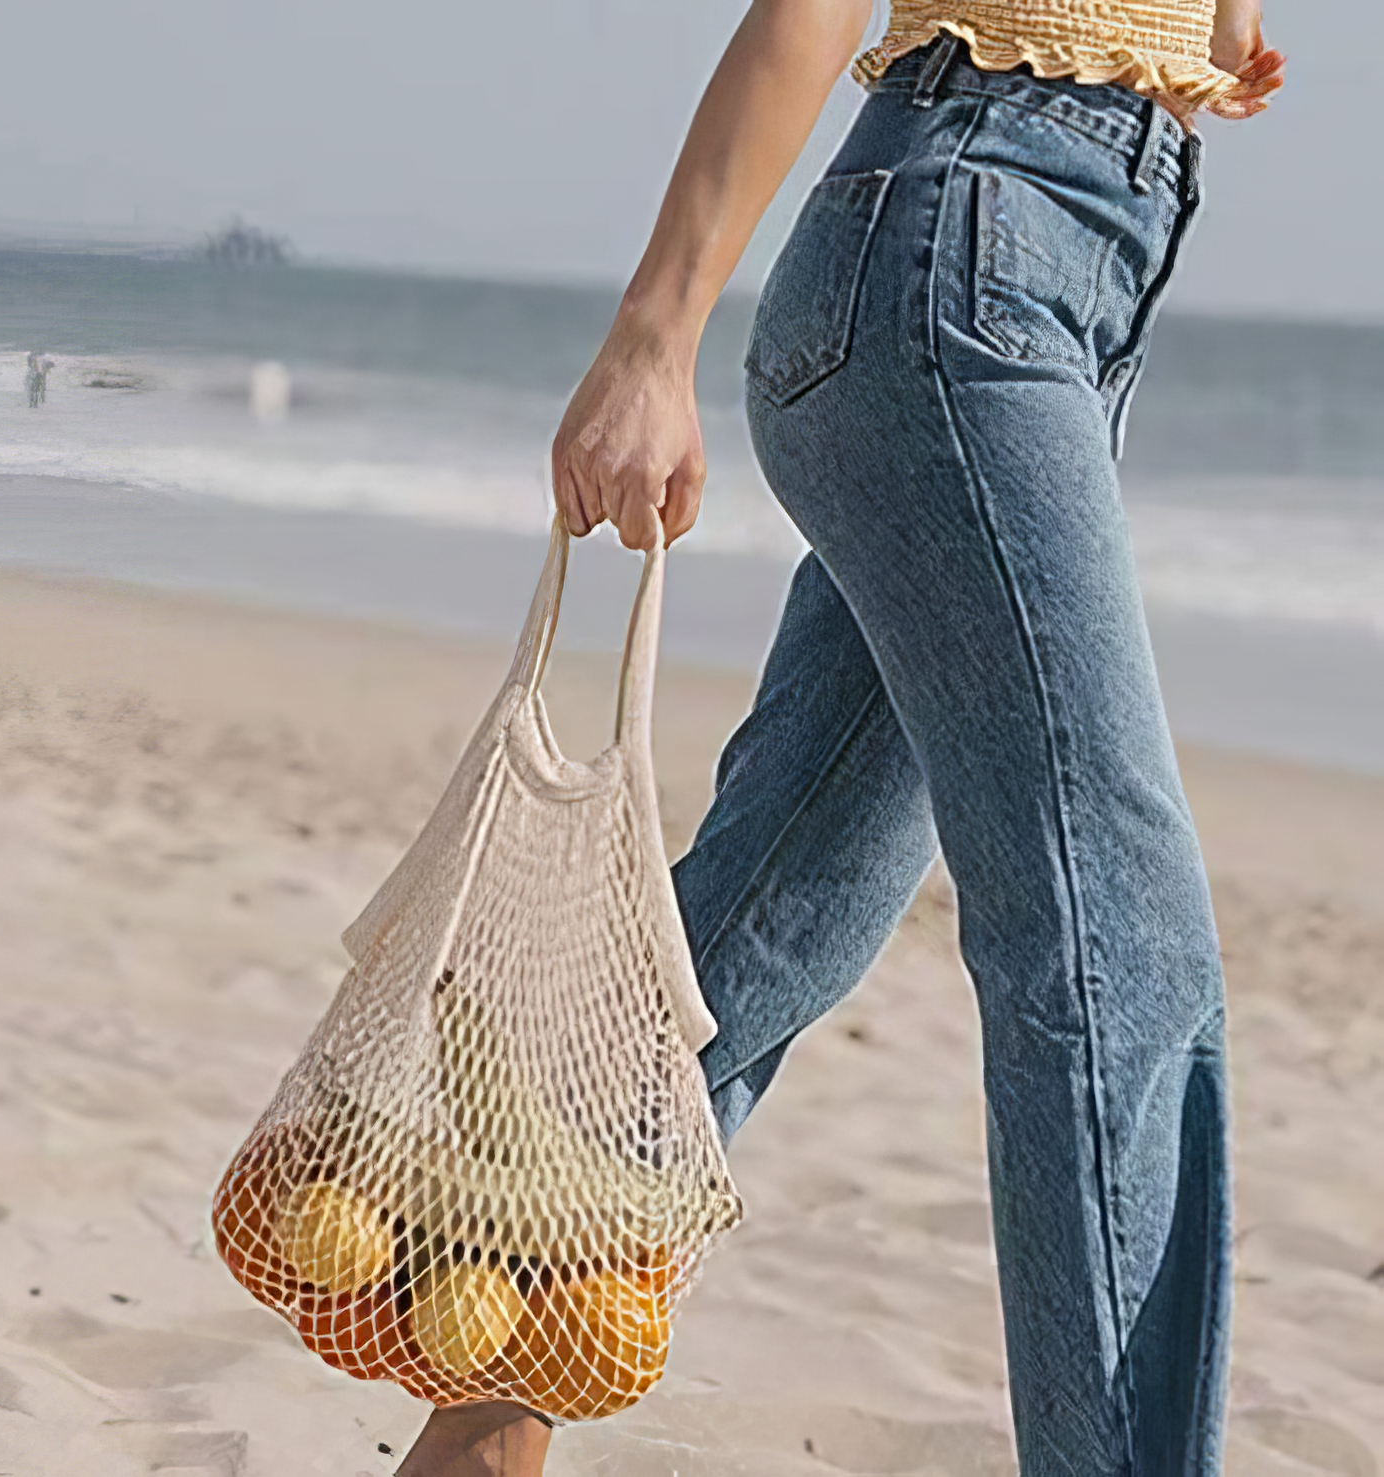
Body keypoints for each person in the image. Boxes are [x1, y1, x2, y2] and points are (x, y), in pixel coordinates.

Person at [399, 1, 1283, 1473]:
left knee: (781, 909)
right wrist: (653, 335)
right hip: (962, 257)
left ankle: (491, 1403)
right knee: (1114, 945)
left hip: (1049, 283)